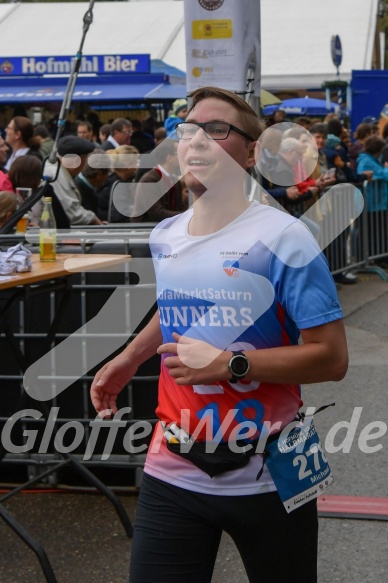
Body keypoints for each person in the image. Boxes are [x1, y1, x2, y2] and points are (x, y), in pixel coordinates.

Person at [90, 86, 348, 583]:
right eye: (188, 130)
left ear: (251, 151)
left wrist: (230, 363)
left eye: (217, 130)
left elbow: (331, 358)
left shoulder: (284, 237)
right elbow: (179, 312)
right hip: (174, 463)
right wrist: (129, 358)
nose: (198, 141)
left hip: (272, 469)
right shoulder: (166, 236)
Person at [51, 136, 102, 225]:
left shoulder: (58, 171)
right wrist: (93, 219)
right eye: (85, 160)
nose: (85, 164)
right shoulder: (57, 176)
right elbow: (72, 214)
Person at [131, 138, 184, 223]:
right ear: (169, 158)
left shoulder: (175, 181)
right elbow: (157, 214)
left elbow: (177, 208)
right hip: (145, 232)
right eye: (179, 153)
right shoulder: (149, 180)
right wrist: (185, 215)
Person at [96, 144, 139, 222]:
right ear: (128, 166)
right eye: (136, 162)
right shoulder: (118, 186)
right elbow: (120, 217)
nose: (137, 166)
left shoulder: (109, 180)